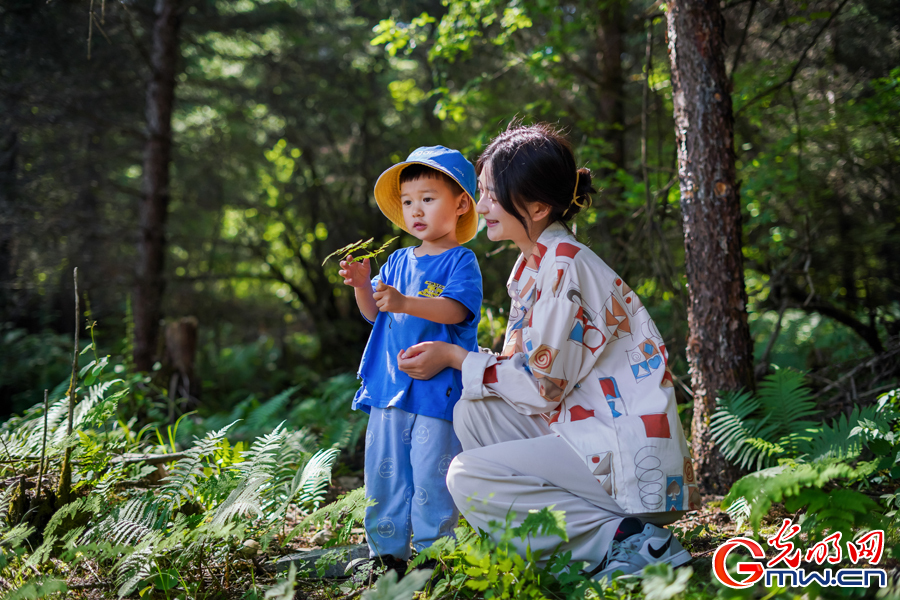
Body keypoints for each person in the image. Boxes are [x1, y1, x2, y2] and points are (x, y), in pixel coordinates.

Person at [397, 124, 697, 580]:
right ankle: (573, 540)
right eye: (481, 193)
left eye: (492, 196)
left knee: (465, 476)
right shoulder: (536, 265)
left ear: (536, 207)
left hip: (628, 462)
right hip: (589, 435)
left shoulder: (564, 270)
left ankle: (628, 541)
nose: (481, 208)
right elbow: (529, 377)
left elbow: (540, 389)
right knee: (474, 411)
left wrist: (457, 357)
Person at [339, 146, 483, 577]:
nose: (415, 210)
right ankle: (386, 555)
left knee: (430, 472)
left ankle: (432, 555)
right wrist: (365, 287)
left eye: (428, 198)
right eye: (407, 201)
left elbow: (456, 311)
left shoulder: (462, 260)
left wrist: (405, 301)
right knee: (384, 471)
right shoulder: (399, 260)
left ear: (460, 205)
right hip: (389, 386)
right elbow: (374, 314)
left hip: (437, 391)